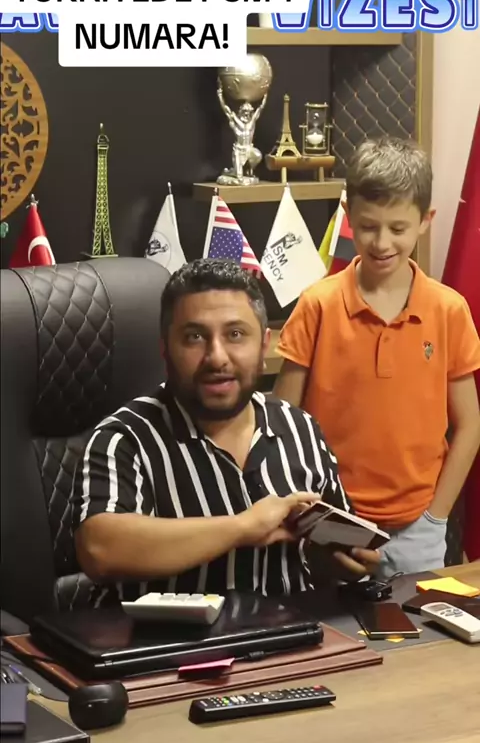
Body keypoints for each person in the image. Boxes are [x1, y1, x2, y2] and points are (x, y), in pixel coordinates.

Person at [71, 258, 379, 603]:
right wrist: (244, 527)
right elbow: (100, 550)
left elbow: (336, 546)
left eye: (235, 335)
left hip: (293, 630)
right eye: (194, 337)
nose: (217, 357)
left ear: (263, 346)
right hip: (169, 637)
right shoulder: (125, 438)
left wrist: (338, 562)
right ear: (165, 349)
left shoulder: (300, 428)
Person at [273, 137, 480, 580]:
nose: (382, 242)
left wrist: (436, 518)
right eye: (368, 226)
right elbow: (282, 424)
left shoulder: (449, 310)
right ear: (349, 216)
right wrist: (313, 517)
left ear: (425, 221)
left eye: (398, 229)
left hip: (419, 530)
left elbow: (470, 425)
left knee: (413, 627)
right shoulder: (317, 305)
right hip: (331, 523)